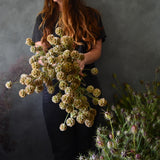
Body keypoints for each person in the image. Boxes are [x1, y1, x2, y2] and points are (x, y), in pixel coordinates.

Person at [32, 0, 106, 159]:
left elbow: (97, 50)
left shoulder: (91, 15)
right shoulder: (44, 19)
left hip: (87, 88)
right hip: (56, 90)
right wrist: (59, 64)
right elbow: (40, 55)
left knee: (87, 148)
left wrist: (81, 59)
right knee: (62, 150)